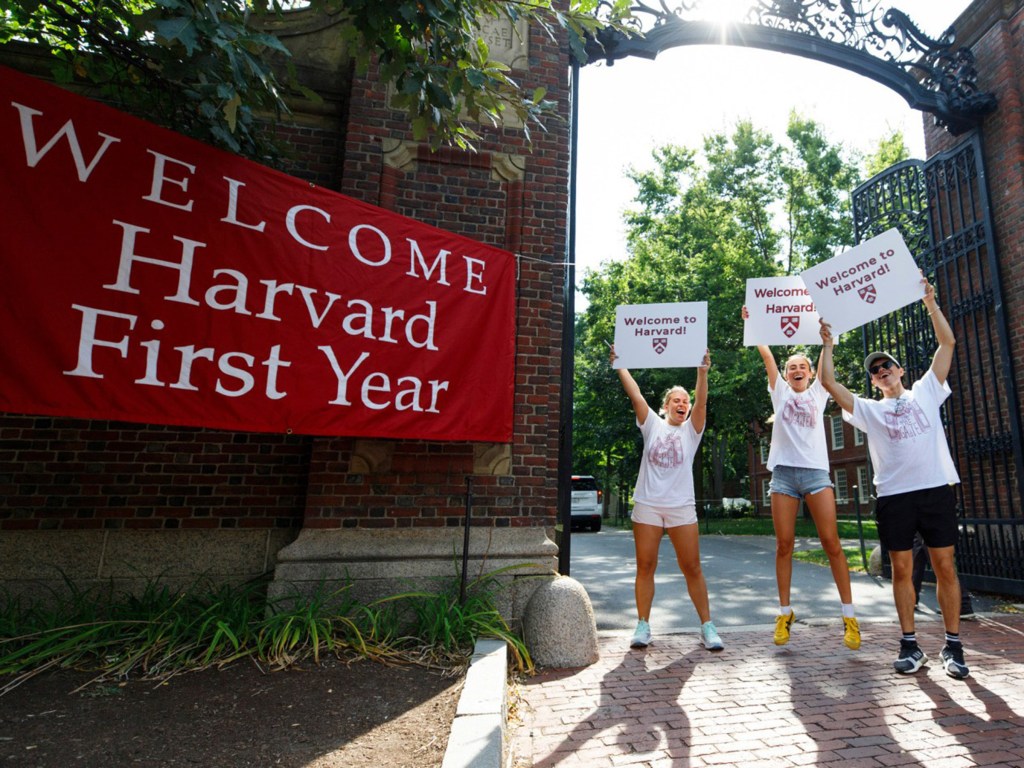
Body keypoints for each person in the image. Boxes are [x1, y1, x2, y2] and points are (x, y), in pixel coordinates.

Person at [817, 278, 970, 679]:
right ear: (873, 382)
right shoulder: (869, 410)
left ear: (900, 370)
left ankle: (953, 646)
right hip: (895, 497)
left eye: (887, 366)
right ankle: (910, 645)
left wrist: (930, 302)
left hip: (935, 490)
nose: (882, 371)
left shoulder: (925, 391)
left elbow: (947, 344)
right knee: (901, 571)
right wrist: (828, 343)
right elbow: (829, 384)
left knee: (945, 568)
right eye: (875, 371)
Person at [742, 308, 860, 650]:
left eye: (801, 367)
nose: (795, 370)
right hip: (783, 476)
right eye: (790, 366)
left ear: (809, 374)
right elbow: (765, 354)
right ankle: (784, 613)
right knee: (784, 545)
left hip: (815, 474)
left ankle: (849, 616)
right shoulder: (779, 391)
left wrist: (827, 342)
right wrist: (753, 323)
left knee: (832, 543)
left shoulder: (818, 393)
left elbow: (828, 365)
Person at [610, 344, 724, 652]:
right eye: (676, 400)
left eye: (685, 401)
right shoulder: (651, 424)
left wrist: (702, 372)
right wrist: (621, 365)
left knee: (693, 567)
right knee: (645, 566)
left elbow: (702, 402)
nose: (683, 403)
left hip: (681, 508)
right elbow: (635, 395)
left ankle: (707, 626)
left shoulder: (692, 430)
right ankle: (643, 625)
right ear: (666, 405)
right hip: (648, 504)